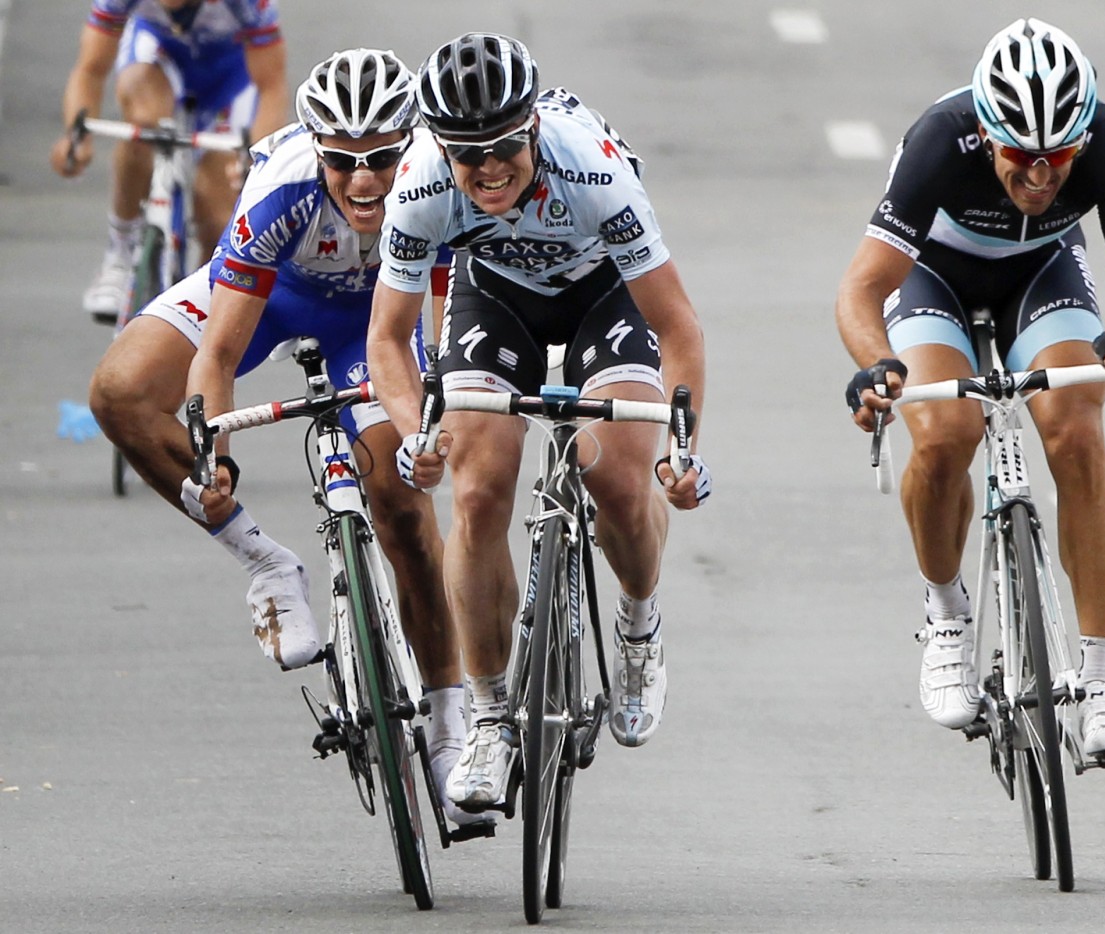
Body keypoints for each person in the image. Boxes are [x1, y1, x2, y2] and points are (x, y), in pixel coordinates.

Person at [89, 49, 475, 820]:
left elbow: (441, 349)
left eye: (380, 159)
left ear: (412, 143)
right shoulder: (281, 189)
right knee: (119, 393)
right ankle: (266, 565)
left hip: (381, 326)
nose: (364, 180)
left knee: (401, 505)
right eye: (342, 161)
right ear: (316, 150)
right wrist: (217, 460)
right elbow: (220, 353)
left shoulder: (440, 185)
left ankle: (448, 727)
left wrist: (431, 436)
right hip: (275, 300)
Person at [368, 33, 711, 812]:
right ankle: (492, 715)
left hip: (604, 295)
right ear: (438, 148)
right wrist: (414, 431)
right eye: (466, 154)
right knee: (480, 491)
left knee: (619, 478)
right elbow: (387, 338)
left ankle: (638, 623)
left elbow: (678, 327)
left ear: (530, 130)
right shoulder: (420, 185)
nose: (487, 169)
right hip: (497, 299)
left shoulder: (591, 167)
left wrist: (683, 450)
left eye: (502, 149)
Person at [835, 18, 1105, 757]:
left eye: (1059, 156)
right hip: (935, 278)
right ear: (987, 133)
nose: (1041, 176)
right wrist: (875, 365)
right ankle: (947, 616)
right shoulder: (940, 139)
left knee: (1075, 431)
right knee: (946, 433)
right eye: (1021, 154)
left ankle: (1103, 680)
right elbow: (861, 291)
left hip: (1043, 271)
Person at [50, 0, 289, 322]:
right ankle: (120, 251)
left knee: (218, 216)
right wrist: (76, 137)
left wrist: (256, 162)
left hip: (229, 80)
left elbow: (272, 85)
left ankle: (202, 304)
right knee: (143, 123)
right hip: (157, 61)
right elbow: (91, 68)